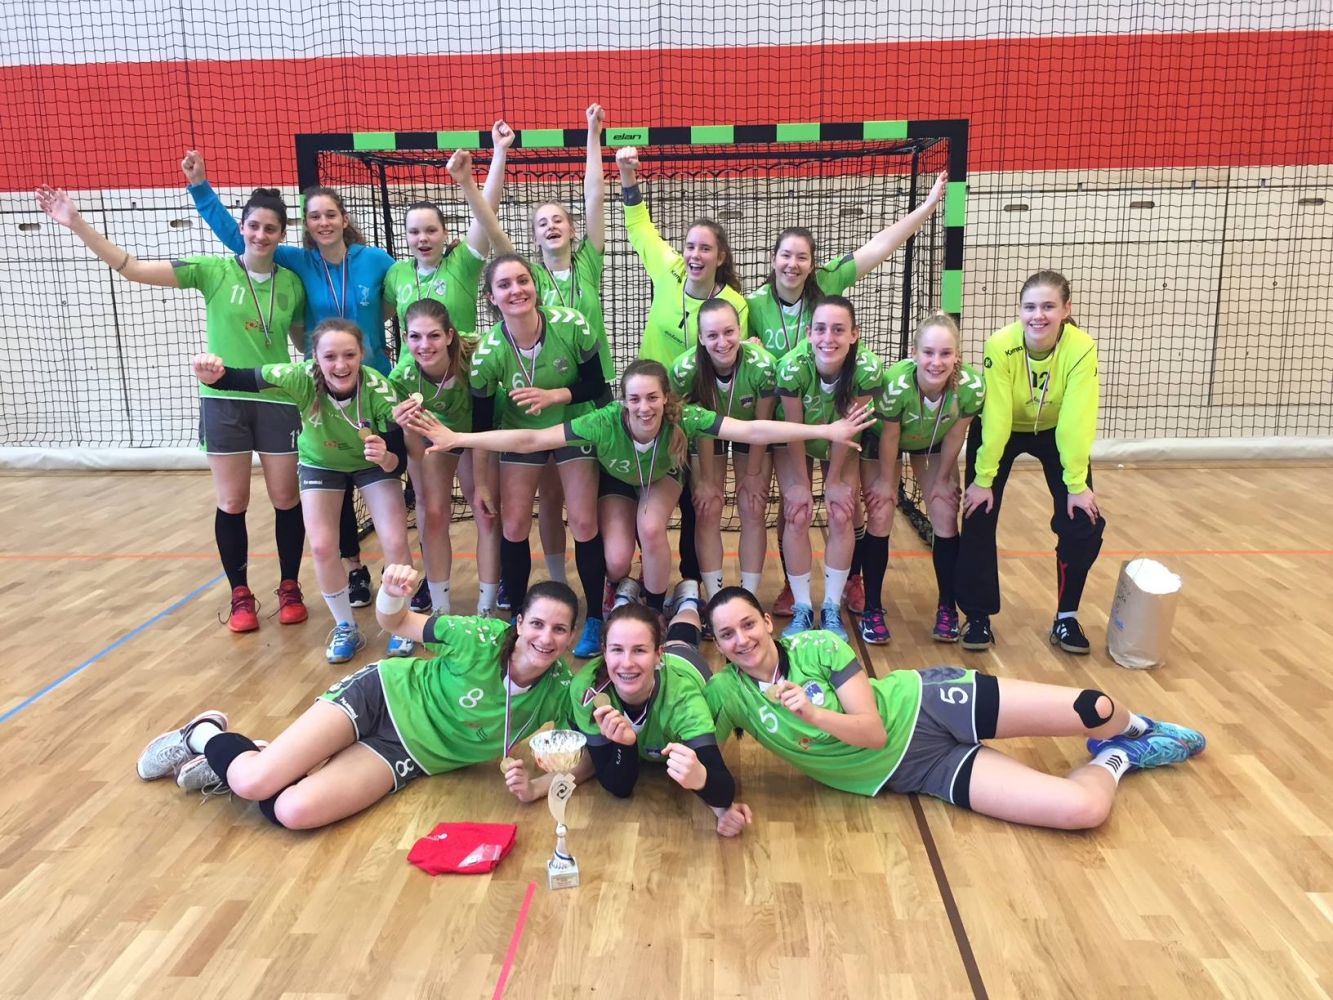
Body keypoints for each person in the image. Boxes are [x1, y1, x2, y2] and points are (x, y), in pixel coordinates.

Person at [407, 355, 875, 619]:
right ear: (624, 401)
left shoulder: (683, 418)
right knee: (614, 559)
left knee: (651, 529)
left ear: (665, 398)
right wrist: (458, 439)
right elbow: (531, 439)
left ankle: (652, 609)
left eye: (652, 397)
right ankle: (624, 584)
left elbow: (751, 430)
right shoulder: (604, 421)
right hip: (618, 481)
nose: (644, 407)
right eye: (635, 399)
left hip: (660, 478)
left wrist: (827, 431)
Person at [35, 183, 309, 632]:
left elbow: (302, 340)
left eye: (270, 229)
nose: (261, 235)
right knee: (232, 501)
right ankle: (240, 596)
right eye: (254, 226)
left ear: (282, 234)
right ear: (241, 228)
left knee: (286, 498)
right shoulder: (213, 270)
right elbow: (132, 268)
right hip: (223, 402)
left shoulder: (293, 284)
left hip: (277, 400)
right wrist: (76, 222)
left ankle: (290, 587)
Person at [703, 587, 1206, 830]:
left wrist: (813, 715)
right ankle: (1120, 757)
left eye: (748, 624)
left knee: (1094, 707)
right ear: (718, 644)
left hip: (931, 705)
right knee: (1084, 810)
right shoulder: (728, 693)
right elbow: (698, 748)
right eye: (726, 634)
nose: (741, 640)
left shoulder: (818, 647)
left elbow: (872, 731)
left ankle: (1139, 728)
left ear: (767, 622)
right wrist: (720, 807)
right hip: (923, 769)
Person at [135, 572, 590, 829]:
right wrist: (391, 593)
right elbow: (396, 623)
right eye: (536, 624)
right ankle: (203, 735)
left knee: (293, 812)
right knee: (254, 783)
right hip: (380, 697)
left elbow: (584, 760)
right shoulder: (478, 636)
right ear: (519, 623)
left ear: (572, 637)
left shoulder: (560, 689)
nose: (545, 638)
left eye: (559, 629)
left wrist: (534, 789)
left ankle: (251, 756)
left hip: (408, 753)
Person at [749, 172, 947, 617]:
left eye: (802, 257)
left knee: (846, 501)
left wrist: (928, 207)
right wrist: (750, 344)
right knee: (793, 503)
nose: (793, 264)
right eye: (785, 256)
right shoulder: (754, 303)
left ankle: (852, 578)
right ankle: (793, 587)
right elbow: (731, 345)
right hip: (791, 418)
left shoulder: (828, 286)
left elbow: (880, 246)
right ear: (773, 260)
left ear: (813, 264)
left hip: (840, 410)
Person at [191, 319, 415, 662]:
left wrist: (385, 456)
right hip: (321, 464)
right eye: (330, 356)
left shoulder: (380, 390)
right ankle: (346, 627)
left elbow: (397, 464)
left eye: (349, 355)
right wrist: (210, 375)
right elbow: (237, 378)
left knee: (396, 540)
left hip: (371, 465)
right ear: (315, 357)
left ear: (361, 354)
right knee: (323, 547)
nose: (340, 365)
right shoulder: (300, 377)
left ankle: (401, 623)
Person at [615, 143, 749, 597]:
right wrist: (627, 175)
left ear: (720, 257)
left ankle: (691, 580)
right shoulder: (668, 269)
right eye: (690, 246)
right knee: (643, 491)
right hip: (649, 405)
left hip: (694, 412)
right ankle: (642, 575)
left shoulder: (734, 304)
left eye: (705, 248)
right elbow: (640, 227)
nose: (694, 254)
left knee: (699, 497)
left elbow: (730, 360)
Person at [384, 147, 513, 616]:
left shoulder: (463, 265)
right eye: (414, 231)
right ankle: (437, 604)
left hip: (469, 402)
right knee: (431, 510)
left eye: (431, 230)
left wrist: (494, 156)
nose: (422, 238)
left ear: (445, 235)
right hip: (421, 406)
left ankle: (489, 601)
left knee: (485, 505)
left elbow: (485, 213)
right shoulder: (395, 274)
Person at [463, 253, 608, 655]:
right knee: (513, 525)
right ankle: (517, 620)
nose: (516, 290)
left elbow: (597, 385)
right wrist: (481, 485)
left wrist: (554, 395)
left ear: (536, 286)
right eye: (504, 285)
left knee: (583, 520)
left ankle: (594, 616)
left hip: (573, 424)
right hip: (522, 433)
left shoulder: (571, 324)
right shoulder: (488, 354)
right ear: (491, 297)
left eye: (522, 280)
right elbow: (481, 428)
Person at [957, 270, 1105, 654]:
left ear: (1066, 309)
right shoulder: (1000, 345)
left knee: (1083, 521)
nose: (1038, 315)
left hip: (1055, 430)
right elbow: (998, 414)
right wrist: (983, 478)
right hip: (1003, 429)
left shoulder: (1082, 348)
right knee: (977, 511)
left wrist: (1076, 485)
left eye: (1048, 307)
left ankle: (1067, 617)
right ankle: (977, 616)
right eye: (1030, 307)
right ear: (1019, 310)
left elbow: (1076, 419)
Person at [570, 586, 752, 837]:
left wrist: (701, 778)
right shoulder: (586, 688)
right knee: (669, 632)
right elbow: (617, 785)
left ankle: (688, 603)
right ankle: (675, 607)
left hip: (685, 662)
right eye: (617, 649)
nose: (627, 663)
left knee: (683, 636)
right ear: (604, 651)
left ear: (658, 654)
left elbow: (723, 790)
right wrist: (625, 745)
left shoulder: (684, 699)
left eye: (639, 650)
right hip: (658, 667)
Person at [861, 312, 985, 645]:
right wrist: (886, 481)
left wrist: (943, 479)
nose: (936, 361)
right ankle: (872, 609)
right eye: (928, 352)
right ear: (913, 353)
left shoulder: (971, 388)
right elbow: (890, 437)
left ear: (957, 355)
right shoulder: (895, 385)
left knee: (945, 511)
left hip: (932, 440)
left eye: (945, 353)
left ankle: (947, 608)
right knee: (881, 512)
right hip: (882, 439)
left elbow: (957, 434)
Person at [773, 296, 885, 640]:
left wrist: (833, 479)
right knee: (797, 512)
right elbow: (793, 430)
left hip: (843, 441)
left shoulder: (867, 369)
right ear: (809, 333)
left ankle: (832, 607)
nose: (828, 338)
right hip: (797, 438)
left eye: (838, 330)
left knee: (840, 511)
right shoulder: (792, 368)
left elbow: (850, 427)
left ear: (854, 335)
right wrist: (801, 485)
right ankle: (803, 607)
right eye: (820, 329)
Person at [669, 299, 779, 606]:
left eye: (729, 332)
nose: (722, 342)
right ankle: (716, 598)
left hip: (751, 431)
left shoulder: (763, 365)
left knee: (753, 507)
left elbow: (762, 424)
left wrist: (754, 474)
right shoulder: (685, 370)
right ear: (701, 338)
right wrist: (705, 480)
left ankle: (749, 598)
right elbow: (701, 426)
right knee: (708, 508)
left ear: (740, 330)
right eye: (713, 335)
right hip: (706, 434)